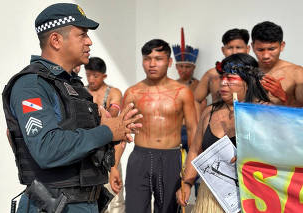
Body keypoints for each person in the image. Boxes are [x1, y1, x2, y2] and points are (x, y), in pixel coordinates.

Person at [2, 3, 142, 213]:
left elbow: (79, 141)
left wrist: (112, 132)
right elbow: (47, 149)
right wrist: (106, 131)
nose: (89, 41)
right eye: (82, 34)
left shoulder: (73, 86)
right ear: (56, 40)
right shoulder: (32, 85)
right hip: (52, 205)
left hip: (85, 202)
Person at [110, 39, 197, 213]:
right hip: (140, 158)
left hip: (171, 158)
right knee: (134, 209)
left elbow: (194, 132)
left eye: (158, 59)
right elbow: (122, 133)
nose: (152, 64)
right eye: (147, 59)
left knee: (168, 210)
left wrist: (189, 176)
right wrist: (113, 166)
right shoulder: (133, 92)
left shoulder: (182, 92)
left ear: (169, 62)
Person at [176, 53, 270, 213]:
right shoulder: (210, 112)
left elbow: (279, 155)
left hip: (252, 196)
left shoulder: (264, 111)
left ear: (248, 81)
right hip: (211, 196)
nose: (223, 83)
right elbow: (195, 150)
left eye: (231, 79)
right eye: (222, 78)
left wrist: (253, 156)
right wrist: (187, 183)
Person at [84, 56, 125, 213]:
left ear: (104, 76)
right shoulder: (81, 90)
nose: (91, 79)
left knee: (114, 198)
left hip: (109, 153)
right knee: (91, 199)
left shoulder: (113, 92)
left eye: (95, 75)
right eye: (88, 75)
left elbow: (112, 117)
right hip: (88, 153)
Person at [251, 21, 303, 106]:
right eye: (260, 50)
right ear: (252, 47)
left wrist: (284, 96)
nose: (266, 56)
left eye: (271, 49)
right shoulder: (246, 71)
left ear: (282, 46)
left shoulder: (296, 73)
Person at [194, 28, 250, 106]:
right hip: (218, 117)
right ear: (223, 50)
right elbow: (195, 100)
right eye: (230, 48)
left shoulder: (254, 74)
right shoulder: (212, 74)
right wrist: (201, 117)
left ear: (247, 49)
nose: (234, 52)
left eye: (238, 47)